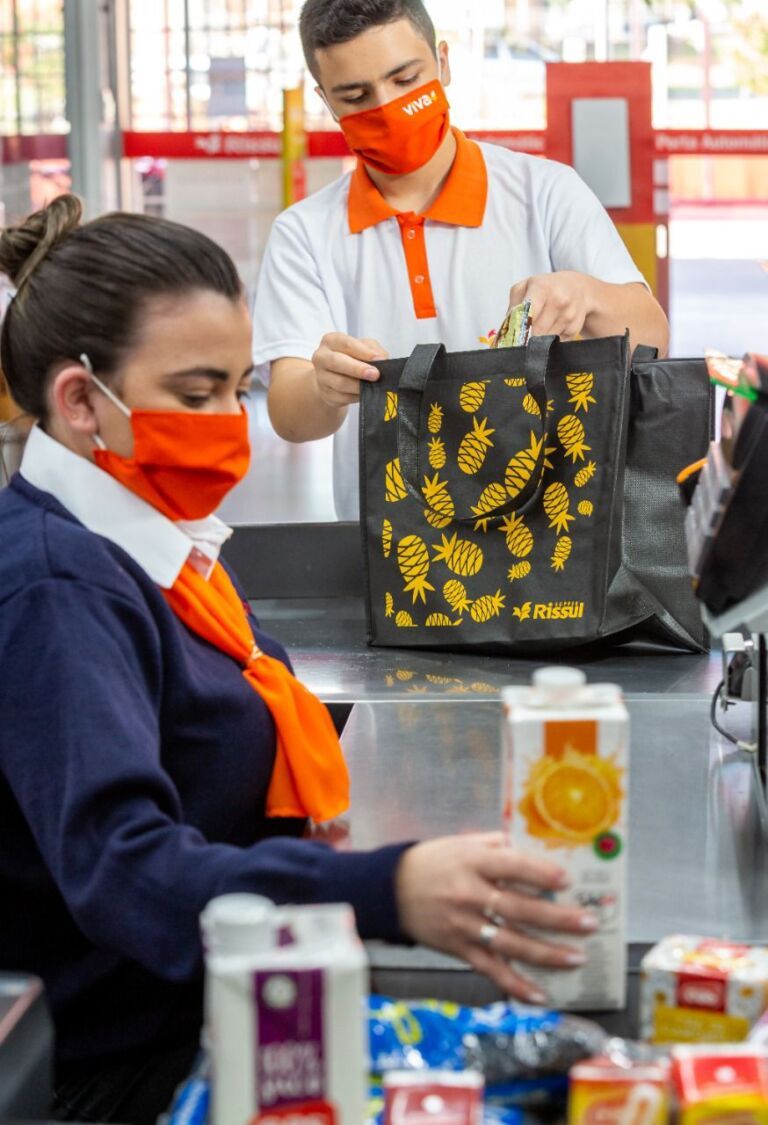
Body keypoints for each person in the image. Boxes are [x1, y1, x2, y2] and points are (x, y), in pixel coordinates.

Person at [0, 196, 598, 1125]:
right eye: (195, 393)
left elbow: (235, 710)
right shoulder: (57, 591)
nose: (229, 423)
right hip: (128, 1071)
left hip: (209, 1008)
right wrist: (389, 885)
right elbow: (129, 872)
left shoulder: (149, 542)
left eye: (236, 389)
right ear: (81, 401)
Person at [252, 0, 671, 520]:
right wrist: (323, 387)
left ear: (443, 62)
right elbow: (290, 417)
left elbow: (652, 337)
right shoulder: (305, 234)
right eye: (356, 96)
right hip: (397, 547)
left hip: (550, 533)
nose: (388, 107)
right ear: (326, 101)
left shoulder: (544, 193)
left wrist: (588, 296)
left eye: (406, 78)